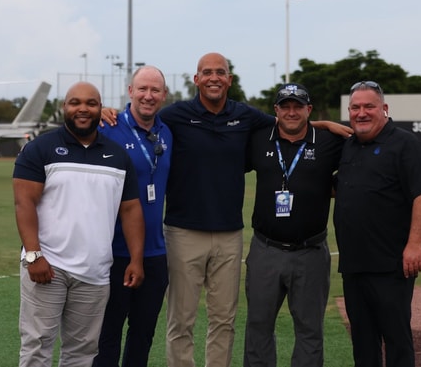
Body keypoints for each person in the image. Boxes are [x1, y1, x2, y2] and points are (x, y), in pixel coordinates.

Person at [102, 53, 351, 367]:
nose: (214, 77)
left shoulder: (245, 115)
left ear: (229, 79)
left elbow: (289, 122)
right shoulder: (176, 115)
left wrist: (323, 124)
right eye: (207, 72)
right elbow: (139, 118)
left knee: (224, 320)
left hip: (230, 235)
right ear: (196, 79)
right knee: (181, 320)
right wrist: (103, 111)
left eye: (220, 72)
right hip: (182, 231)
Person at [13, 82, 146, 367]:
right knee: (37, 346)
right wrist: (34, 255)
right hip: (48, 266)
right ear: (64, 107)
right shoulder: (40, 148)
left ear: (100, 108)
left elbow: (131, 209)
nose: (83, 109)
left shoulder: (118, 155)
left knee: (82, 353)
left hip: (95, 272)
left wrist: (136, 259)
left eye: (91, 103)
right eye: (75, 103)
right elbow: (24, 203)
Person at [333, 81, 421, 367]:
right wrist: (327, 124)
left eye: (369, 106)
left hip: (391, 265)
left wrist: (415, 245)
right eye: (355, 107)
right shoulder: (350, 146)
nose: (361, 113)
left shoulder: (406, 144)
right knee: (363, 343)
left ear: (385, 109)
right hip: (354, 265)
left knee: (396, 340)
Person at [243, 83, 344, 367]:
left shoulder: (329, 141)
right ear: (275, 110)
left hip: (310, 252)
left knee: (310, 330)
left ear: (308, 110)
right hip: (265, 250)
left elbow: (359, 163)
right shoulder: (259, 138)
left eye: (297, 106)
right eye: (284, 106)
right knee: (258, 327)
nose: (291, 112)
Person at [93, 66, 172, 367]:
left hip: (154, 252)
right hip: (113, 252)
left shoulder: (166, 132)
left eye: (155, 90)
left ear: (164, 95)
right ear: (130, 91)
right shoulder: (107, 128)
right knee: (107, 335)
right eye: (142, 89)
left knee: (143, 335)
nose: (148, 96)